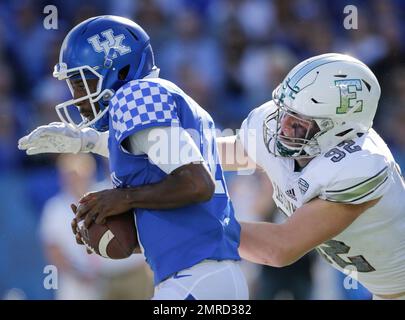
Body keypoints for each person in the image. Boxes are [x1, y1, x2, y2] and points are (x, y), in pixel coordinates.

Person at [18, 15, 247, 300]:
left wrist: (122, 199)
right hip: (201, 275)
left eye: (81, 83)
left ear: (119, 71)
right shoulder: (160, 101)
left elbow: (197, 184)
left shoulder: (136, 94)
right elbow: (151, 155)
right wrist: (85, 142)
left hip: (195, 277)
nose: (76, 97)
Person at [217, 53, 405, 300]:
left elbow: (280, 248)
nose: (283, 127)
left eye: (299, 123)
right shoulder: (286, 135)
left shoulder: (360, 166)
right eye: (284, 112)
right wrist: (164, 156)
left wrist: (193, 229)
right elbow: (229, 153)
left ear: (339, 130)